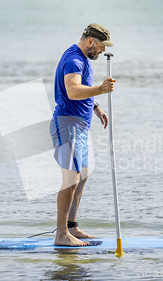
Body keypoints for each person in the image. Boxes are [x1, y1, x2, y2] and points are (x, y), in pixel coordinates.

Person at [50, 23, 115, 246]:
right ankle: (61, 236)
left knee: (83, 175)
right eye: (100, 46)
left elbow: (82, 89)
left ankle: (71, 227)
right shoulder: (74, 59)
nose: (102, 51)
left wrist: (96, 108)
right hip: (67, 124)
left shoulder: (82, 59)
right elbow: (72, 90)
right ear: (90, 42)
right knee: (71, 179)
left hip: (81, 125)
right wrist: (101, 89)